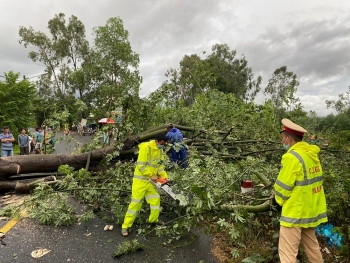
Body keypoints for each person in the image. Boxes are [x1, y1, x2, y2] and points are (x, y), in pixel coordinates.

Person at [274, 118, 327, 263]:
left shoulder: (292, 157)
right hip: (309, 211)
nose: (282, 141)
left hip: (294, 212)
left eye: (283, 138)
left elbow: (283, 187)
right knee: (313, 249)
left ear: (289, 138)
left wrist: (277, 200)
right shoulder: (311, 155)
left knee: (287, 254)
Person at [121, 133, 168, 237]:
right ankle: (125, 226)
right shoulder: (145, 147)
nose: (163, 146)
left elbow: (160, 166)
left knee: (156, 200)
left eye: (165, 144)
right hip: (140, 181)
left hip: (151, 182)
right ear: (156, 141)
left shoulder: (160, 150)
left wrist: (165, 177)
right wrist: (151, 175)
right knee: (135, 204)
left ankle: (153, 220)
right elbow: (141, 165)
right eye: (162, 144)